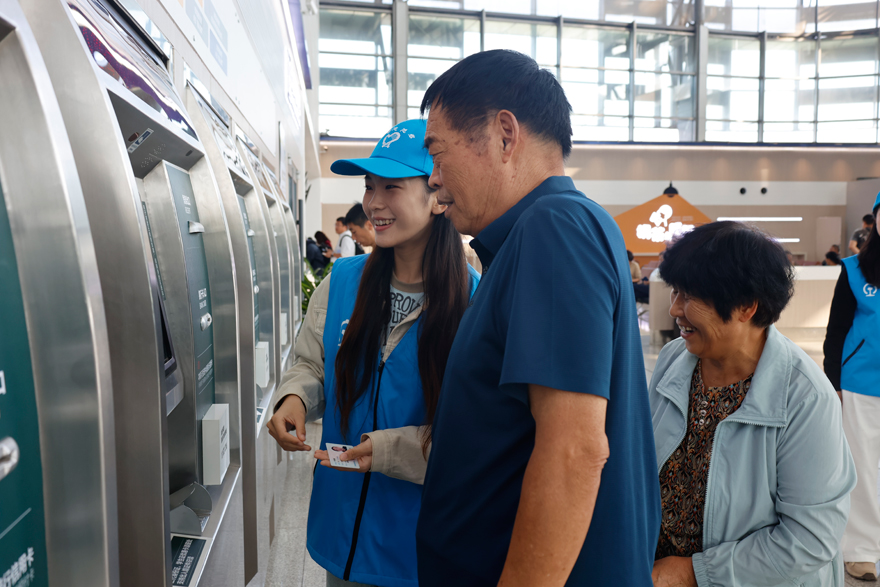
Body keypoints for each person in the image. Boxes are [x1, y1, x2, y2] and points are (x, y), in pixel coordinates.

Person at [416, 49, 660, 586]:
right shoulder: (544, 234)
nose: (432, 177)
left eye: (438, 152)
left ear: (505, 135)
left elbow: (574, 450)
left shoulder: (554, 228)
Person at [266, 118, 480, 587]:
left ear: (436, 195)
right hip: (340, 534)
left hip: (417, 546)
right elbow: (311, 363)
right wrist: (295, 399)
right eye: (369, 185)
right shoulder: (342, 281)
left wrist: (387, 451)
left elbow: (473, 435)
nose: (373, 203)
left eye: (392, 187)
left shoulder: (474, 303)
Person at [650, 221, 855, 587]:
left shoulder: (805, 398)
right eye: (675, 292)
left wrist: (692, 573)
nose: (675, 309)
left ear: (746, 306)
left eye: (691, 296)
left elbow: (809, 540)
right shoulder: (672, 361)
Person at [824, 192, 880, 581]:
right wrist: (834, 382)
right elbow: (837, 330)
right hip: (861, 383)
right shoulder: (855, 269)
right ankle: (859, 549)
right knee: (862, 468)